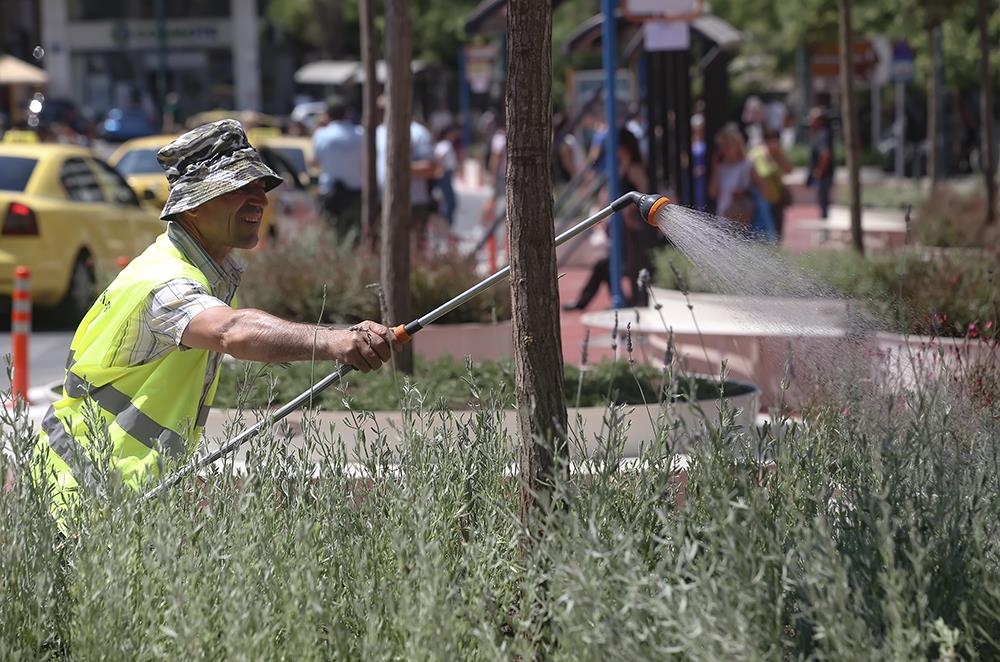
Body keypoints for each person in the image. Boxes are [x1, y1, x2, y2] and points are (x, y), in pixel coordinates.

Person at [33, 120, 399, 518]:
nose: (258, 200)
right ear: (194, 204)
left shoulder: (202, 272)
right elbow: (231, 331)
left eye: (261, 187)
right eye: (239, 189)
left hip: (116, 494)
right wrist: (335, 340)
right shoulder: (165, 282)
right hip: (83, 500)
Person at [563, 128, 659, 310]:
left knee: (628, 266)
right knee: (611, 265)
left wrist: (630, 213)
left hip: (635, 229)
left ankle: (628, 301)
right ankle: (622, 300)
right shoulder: (622, 166)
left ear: (624, 147)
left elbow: (644, 193)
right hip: (625, 229)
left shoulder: (634, 167)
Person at [375, 99, 436, 254]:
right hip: (382, 201)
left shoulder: (418, 132)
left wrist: (402, 168)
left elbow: (430, 167)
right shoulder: (377, 132)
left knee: (416, 250)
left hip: (414, 202)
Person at [312, 95, 364, 239]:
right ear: (347, 113)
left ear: (327, 114)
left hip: (330, 193)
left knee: (331, 235)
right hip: (355, 193)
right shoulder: (360, 134)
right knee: (354, 236)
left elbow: (315, 161)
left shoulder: (321, 135)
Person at [708, 123, 760, 226]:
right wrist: (715, 168)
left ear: (737, 145)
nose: (725, 150)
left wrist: (744, 192)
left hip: (743, 217)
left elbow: (759, 190)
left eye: (728, 146)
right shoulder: (721, 167)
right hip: (723, 215)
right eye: (722, 146)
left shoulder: (748, 164)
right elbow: (712, 193)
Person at [749, 128, 793, 238]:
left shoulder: (779, 155)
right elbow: (750, 173)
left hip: (776, 197)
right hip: (760, 198)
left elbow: (789, 170)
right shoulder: (756, 154)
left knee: (776, 226)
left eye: (775, 141)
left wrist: (778, 157)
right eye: (770, 141)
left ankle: (773, 246)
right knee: (763, 225)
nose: (773, 144)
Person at [807, 107, 834, 219]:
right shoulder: (820, 133)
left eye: (813, 119)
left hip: (824, 174)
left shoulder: (823, 134)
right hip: (824, 173)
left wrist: (819, 170)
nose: (810, 121)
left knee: (823, 200)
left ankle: (825, 227)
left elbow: (825, 154)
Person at [431, 124, 460, 228]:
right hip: (444, 175)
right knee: (450, 202)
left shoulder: (445, 144)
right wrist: (440, 169)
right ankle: (446, 225)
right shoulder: (445, 144)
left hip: (446, 174)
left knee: (446, 201)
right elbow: (439, 156)